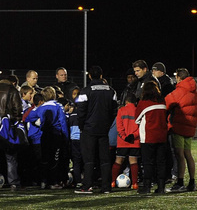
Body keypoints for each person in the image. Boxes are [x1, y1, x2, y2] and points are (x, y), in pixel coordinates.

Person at [74, 66, 118, 194]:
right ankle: (106, 187)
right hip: (104, 130)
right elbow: (114, 111)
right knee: (105, 160)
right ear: (101, 75)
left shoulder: (85, 91)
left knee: (89, 160)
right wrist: (107, 124)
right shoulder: (111, 91)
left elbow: (80, 111)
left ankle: (87, 186)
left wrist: (83, 126)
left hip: (89, 129)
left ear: (89, 76)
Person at [26, 86, 69, 189]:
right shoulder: (58, 106)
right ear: (53, 95)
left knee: (45, 159)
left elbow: (29, 117)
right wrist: (66, 137)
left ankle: (44, 181)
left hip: (44, 135)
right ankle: (53, 182)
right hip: (55, 135)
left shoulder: (41, 107)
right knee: (55, 159)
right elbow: (63, 122)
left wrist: (39, 123)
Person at [165, 68, 197, 192]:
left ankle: (180, 182)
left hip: (179, 126)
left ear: (179, 78)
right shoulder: (193, 91)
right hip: (189, 127)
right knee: (188, 155)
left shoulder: (180, 90)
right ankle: (192, 182)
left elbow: (166, 102)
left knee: (179, 155)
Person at [135, 81, 168, 194]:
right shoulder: (162, 101)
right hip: (162, 136)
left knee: (148, 162)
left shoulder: (143, 102)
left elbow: (137, 119)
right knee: (161, 162)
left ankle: (147, 186)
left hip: (148, 137)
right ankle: (161, 187)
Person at [111, 93, 140, 190]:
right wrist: (133, 135)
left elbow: (119, 127)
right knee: (133, 161)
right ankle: (135, 183)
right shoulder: (138, 111)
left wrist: (124, 137)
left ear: (126, 101)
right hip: (134, 141)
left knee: (118, 160)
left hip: (122, 142)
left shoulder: (121, 110)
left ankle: (113, 182)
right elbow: (140, 127)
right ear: (135, 102)